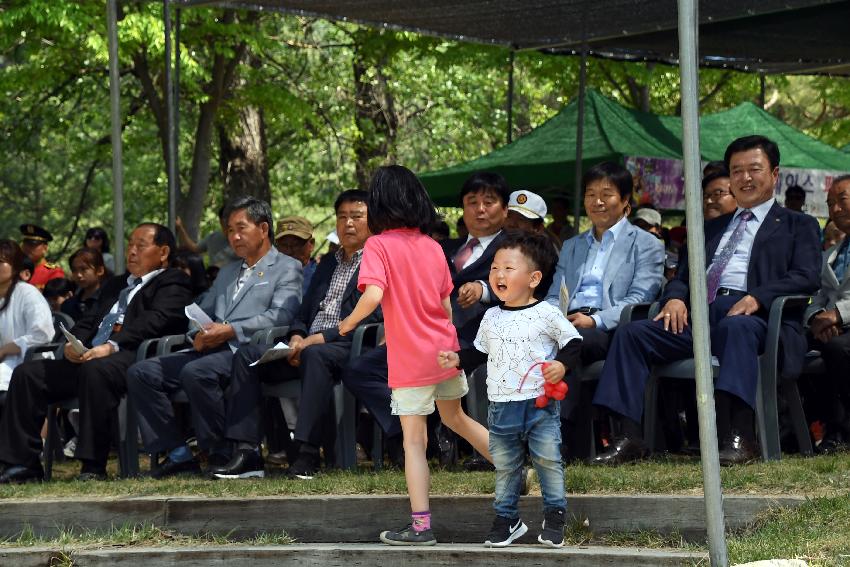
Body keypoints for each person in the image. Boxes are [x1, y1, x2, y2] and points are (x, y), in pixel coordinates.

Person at [591, 135, 822, 467]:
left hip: (759, 320)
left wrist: (758, 297)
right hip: (699, 318)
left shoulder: (797, 224)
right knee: (632, 334)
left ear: (774, 174)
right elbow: (683, 276)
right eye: (737, 170)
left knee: (736, 328)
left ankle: (740, 437)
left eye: (754, 169)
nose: (745, 178)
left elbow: (806, 275)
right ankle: (628, 437)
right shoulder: (710, 228)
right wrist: (674, 299)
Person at [338, 165, 491, 546]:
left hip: (409, 359)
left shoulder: (378, 246)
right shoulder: (433, 246)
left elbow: (373, 295)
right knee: (456, 418)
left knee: (413, 442)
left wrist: (346, 325)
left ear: (378, 205)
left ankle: (421, 527)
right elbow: (445, 306)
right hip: (444, 350)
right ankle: (513, 468)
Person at [211, 190, 383, 480]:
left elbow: (375, 315)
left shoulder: (379, 260)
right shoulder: (329, 262)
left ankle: (306, 452)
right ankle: (248, 452)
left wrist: (318, 339)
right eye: (342, 217)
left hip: (347, 344)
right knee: (247, 356)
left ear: (374, 222)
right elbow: (303, 311)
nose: (348, 224)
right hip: (306, 344)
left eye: (356, 217)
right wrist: (295, 336)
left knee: (316, 355)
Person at [0, 224, 193, 483]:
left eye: (140, 246)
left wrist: (112, 345)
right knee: (28, 374)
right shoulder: (115, 285)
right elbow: (89, 319)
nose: (132, 251)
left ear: (163, 252)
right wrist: (73, 343)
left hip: (135, 355)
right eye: (130, 245)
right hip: (92, 355)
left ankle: (93, 465)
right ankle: (21, 464)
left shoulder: (172, 281)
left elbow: (157, 321)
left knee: (95, 371)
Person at [126, 197, 302, 479]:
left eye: (241, 229)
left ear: (264, 228)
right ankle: (178, 454)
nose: (234, 237)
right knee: (142, 372)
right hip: (211, 348)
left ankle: (223, 451)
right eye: (230, 230)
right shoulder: (229, 271)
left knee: (197, 372)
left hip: (247, 350)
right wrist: (198, 333)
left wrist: (231, 330)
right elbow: (202, 310)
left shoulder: (287, 266)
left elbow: (279, 317)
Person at [438, 232, 582, 548]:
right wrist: (456, 359)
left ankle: (555, 515)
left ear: (533, 278)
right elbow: (478, 353)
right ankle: (507, 519)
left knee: (547, 460)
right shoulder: (490, 316)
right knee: (505, 466)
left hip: (539, 403)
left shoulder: (546, 313)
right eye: (494, 268)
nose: (499, 275)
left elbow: (573, 343)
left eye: (508, 268)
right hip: (501, 406)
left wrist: (562, 365)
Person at [544, 161, 664, 459]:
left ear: (625, 201)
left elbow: (640, 297)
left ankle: (558, 437)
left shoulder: (646, 244)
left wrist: (594, 319)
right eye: (590, 194)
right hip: (568, 322)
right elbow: (552, 293)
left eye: (606, 194)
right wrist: (550, 320)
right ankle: (513, 436)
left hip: (610, 329)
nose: (597, 201)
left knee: (572, 342)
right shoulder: (572, 245)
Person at [803, 174, 850, 452]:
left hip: (843, 324)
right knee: (790, 344)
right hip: (829, 326)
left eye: (841, 200)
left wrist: (838, 315)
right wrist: (816, 317)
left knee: (837, 348)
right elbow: (817, 296)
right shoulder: (830, 254)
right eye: (830, 203)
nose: (835, 209)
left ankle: (840, 430)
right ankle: (795, 428)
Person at [0, 240, 53, 397]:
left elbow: (42, 335)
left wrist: (5, 349)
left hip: (25, 362)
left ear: (15, 267)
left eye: (0, 262)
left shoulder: (27, 293)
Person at [175, 206, 240, 268]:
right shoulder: (213, 238)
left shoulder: (243, 240)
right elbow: (194, 248)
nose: (227, 228)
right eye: (225, 224)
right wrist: (180, 228)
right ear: (221, 222)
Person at [62, 248, 108, 322]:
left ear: (100, 270)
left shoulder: (109, 302)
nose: (78, 275)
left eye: (84, 269)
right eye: (74, 270)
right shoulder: (68, 305)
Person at [275, 215, 317, 295]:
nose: (289, 251)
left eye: (296, 245)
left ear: (311, 244)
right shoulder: (266, 275)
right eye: (283, 245)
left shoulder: (321, 279)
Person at [19, 224, 64, 290]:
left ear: (45, 248)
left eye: (33, 244)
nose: (27, 248)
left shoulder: (53, 271)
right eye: (25, 243)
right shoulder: (15, 268)